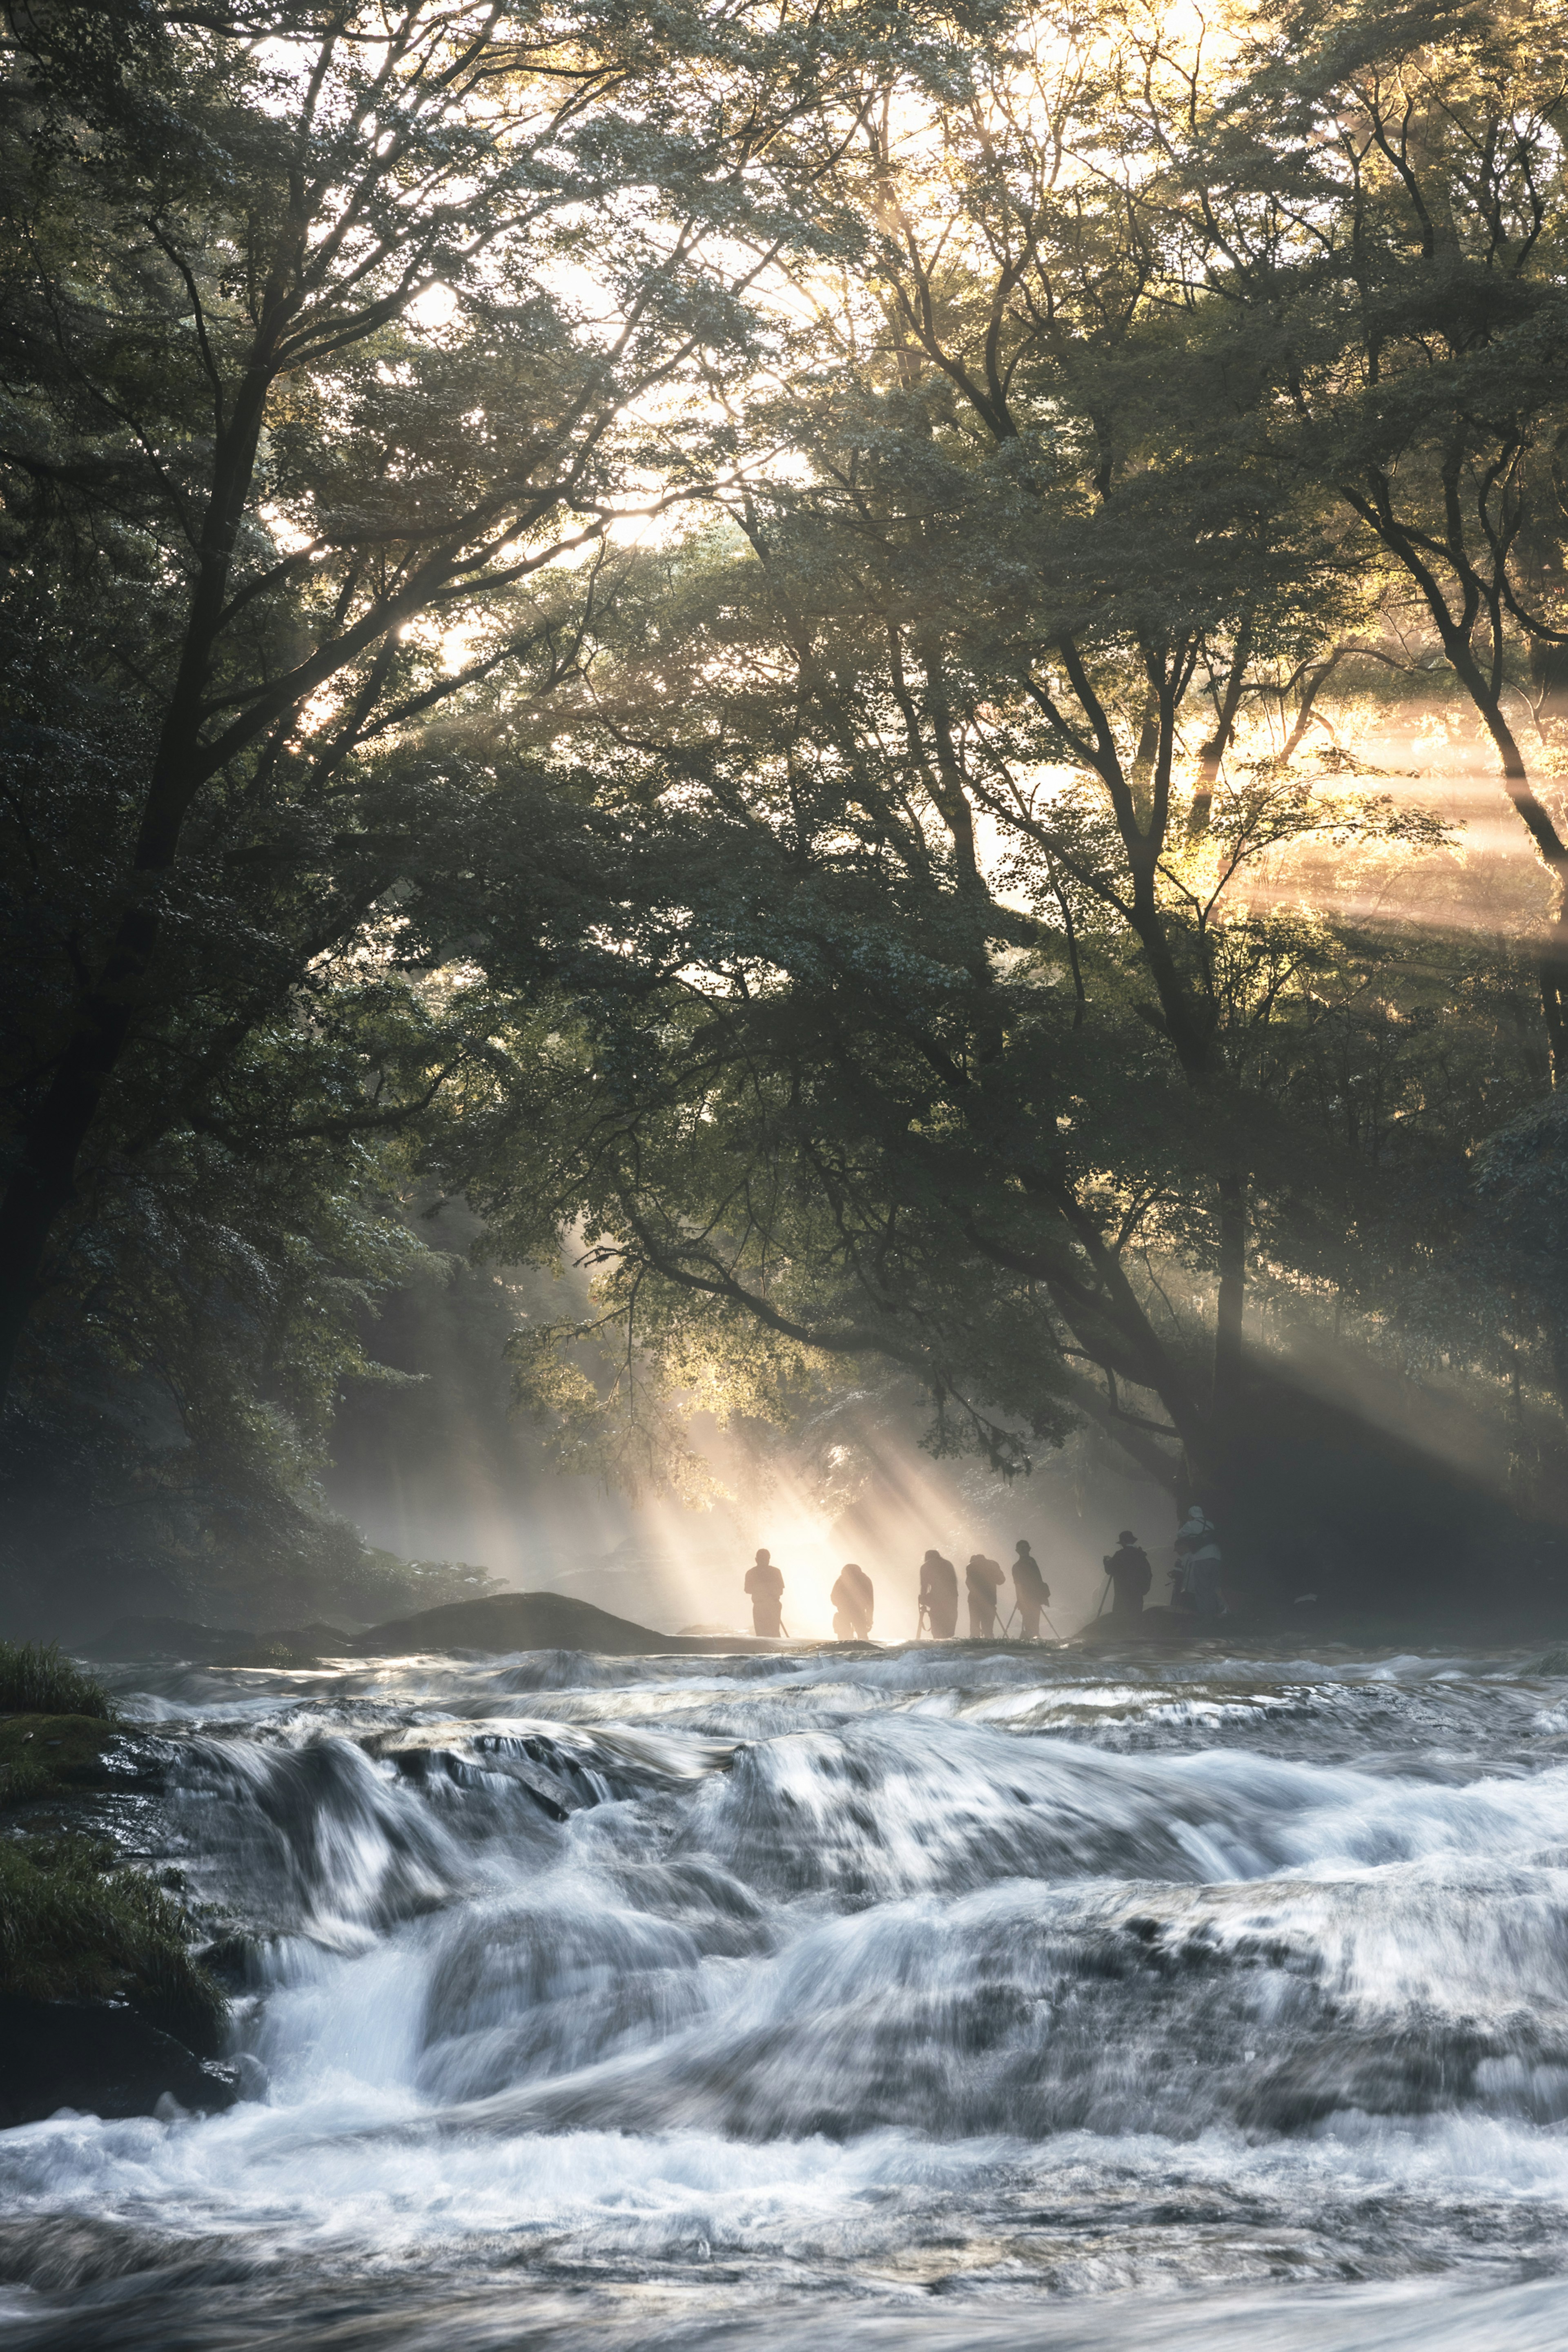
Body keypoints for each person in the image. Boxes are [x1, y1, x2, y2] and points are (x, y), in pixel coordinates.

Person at [1174, 1506, 1224, 1617]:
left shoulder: (1190, 1524)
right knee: (1212, 1588)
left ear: (1191, 1515)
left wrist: (1188, 1522)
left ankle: (1205, 1616)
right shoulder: (1210, 1524)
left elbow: (1180, 1535)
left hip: (1202, 1558)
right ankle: (1214, 1613)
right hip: (1216, 1557)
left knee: (1202, 1588)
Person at [1102, 1530, 1152, 1620]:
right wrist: (1144, 1590)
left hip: (1122, 1594)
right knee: (1135, 1620)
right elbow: (1148, 1573)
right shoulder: (1141, 1555)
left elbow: (1110, 1570)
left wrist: (1106, 1563)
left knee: (1120, 1620)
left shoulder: (1119, 1555)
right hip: (1137, 1594)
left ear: (1124, 1542)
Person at [1012, 1540, 1050, 1639]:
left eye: (1025, 1547)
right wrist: (1021, 1600)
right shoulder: (1017, 1567)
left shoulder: (1032, 1562)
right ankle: (1032, 1640)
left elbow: (1039, 1580)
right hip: (1026, 1598)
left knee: (1034, 1622)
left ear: (1029, 1549)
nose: (1023, 1550)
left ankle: (1033, 1640)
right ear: (1017, 1551)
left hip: (1035, 1597)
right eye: (1021, 1548)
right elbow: (1018, 1585)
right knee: (1029, 1622)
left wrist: (1043, 1596)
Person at [744, 1547, 785, 1637]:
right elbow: (747, 1590)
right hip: (764, 1606)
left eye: (765, 1559)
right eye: (762, 1559)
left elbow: (781, 1591)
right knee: (767, 1634)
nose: (764, 1561)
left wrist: (766, 1592)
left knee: (769, 1634)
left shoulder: (775, 1572)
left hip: (770, 1606)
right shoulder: (775, 1572)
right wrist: (764, 1590)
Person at [919, 1549, 958, 1639]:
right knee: (949, 1632)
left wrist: (923, 1599)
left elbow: (924, 1586)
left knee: (937, 1632)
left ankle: (939, 1649)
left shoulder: (926, 1566)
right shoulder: (948, 1564)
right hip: (952, 1601)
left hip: (937, 1601)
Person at [830, 1561, 874, 1640]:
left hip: (844, 1612)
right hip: (859, 1612)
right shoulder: (866, 1580)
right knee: (863, 1636)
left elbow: (833, 1597)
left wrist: (840, 1606)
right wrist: (870, 1619)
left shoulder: (841, 1580)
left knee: (843, 1637)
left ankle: (842, 1647)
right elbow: (870, 1602)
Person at [965, 1552, 1005, 1637]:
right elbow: (1001, 1581)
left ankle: (974, 1644)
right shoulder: (993, 1565)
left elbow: (968, 1583)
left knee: (975, 1626)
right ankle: (989, 1644)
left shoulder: (970, 1566)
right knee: (988, 1628)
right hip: (990, 1600)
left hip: (974, 1601)